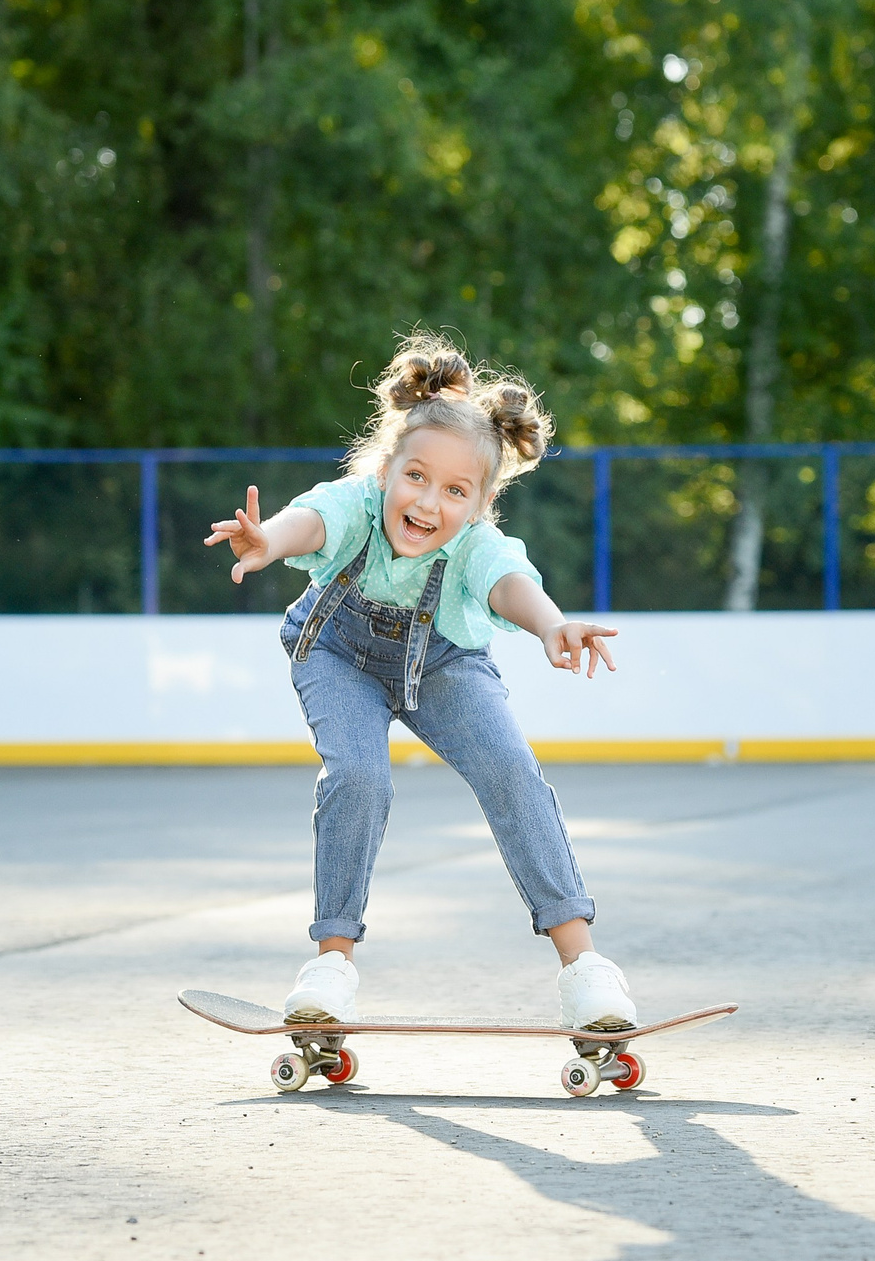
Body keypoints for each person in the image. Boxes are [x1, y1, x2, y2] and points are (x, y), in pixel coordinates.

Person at [204, 336, 635, 1031]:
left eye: (456, 491)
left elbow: (508, 582)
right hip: (337, 651)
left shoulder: (474, 543)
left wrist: (552, 625)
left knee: (511, 771)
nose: (429, 503)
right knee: (359, 776)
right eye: (415, 478)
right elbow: (311, 519)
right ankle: (331, 967)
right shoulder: (356, 502)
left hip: (444, 663)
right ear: (385, 469)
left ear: (482, 499)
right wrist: (270, 540)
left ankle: (587, 970)